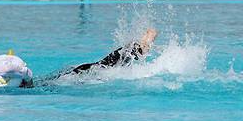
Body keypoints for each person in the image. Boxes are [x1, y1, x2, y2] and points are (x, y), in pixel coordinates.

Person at [26, 28, 158, 87]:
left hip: (90, 69)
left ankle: (148, 37)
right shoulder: (120, 61)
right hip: (91, 68)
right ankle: (147, 38)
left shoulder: (123, 58)